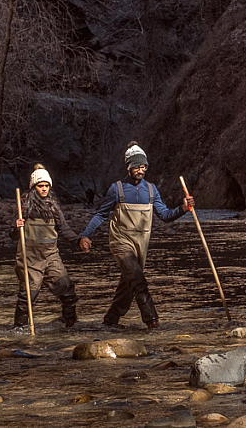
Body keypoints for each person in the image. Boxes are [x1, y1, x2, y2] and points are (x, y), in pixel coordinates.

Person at [79, 141, 193, 329]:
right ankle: (152, 321)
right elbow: (101, 214)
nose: (141, 170)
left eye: (143, 167)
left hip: (141, 244)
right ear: (128, 166)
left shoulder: (151, 189)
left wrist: (183, 208)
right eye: (137, 166)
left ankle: (110, 321)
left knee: (129, 283)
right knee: (138, 279)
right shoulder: (117, 189)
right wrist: (86, 235)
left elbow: (164, 215)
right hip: (120, 242)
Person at [11, 164, 80, 329]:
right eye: (41, 186)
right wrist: (17, 226)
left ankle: (70, 322)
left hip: (51, 255)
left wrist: (78, 241)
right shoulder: (24, 206)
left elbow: (63, 229)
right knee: (28, 295)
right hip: (30, 257)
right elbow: (13, 236)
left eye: (47, 186)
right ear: (34, 187)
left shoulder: (53, 206)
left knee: (66, 286)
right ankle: (19, 328)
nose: (44, 189)